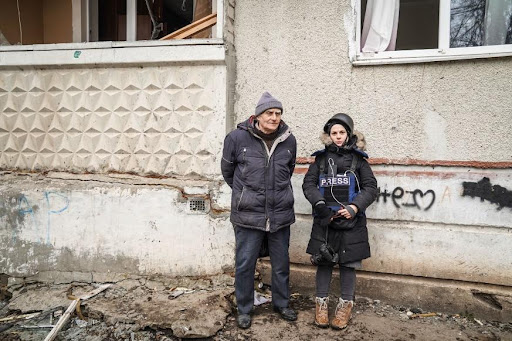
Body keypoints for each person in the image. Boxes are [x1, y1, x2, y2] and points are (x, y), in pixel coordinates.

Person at [221, 92, 298, 329]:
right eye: (270, 113)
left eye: (278, 113)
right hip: (248, 214)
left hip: (279, 213)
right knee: (245, 263)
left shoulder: (288, 140)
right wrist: (246, 195)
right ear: (258, 116)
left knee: (281, 262)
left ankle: (281, 303)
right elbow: (228, 171)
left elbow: (289, 169)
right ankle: (244, 308)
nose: (275, 118)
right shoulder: (236, 138)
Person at [302, 113, 377, 330]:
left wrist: (354, 207)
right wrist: (319, 205)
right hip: (325, 221)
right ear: (328, 135)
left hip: (352, 224)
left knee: (348, 265)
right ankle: (321, 304)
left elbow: (370, 188)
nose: (337, 137)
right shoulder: (321, 159)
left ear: (349, 134)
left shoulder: (359, 161)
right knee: (323, 264)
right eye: (333, 133)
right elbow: (309, 185)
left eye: (341, 132)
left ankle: (345, 306)